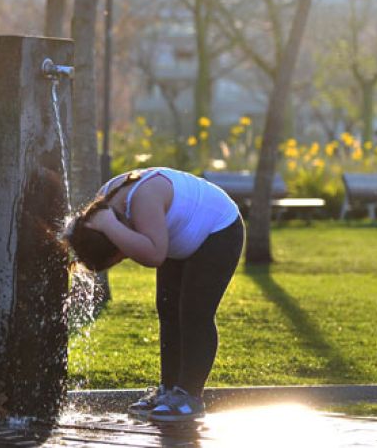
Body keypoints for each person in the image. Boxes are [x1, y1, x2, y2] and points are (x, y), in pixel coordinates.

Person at [62, 167, 244, 422]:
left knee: (194, 314)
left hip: (218, 230)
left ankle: (190, 396)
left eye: (120, 256)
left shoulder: (140, 201)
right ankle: (169, 390)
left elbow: (155, 255)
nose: (126, 256)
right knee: (168, 310)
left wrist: (114, 230)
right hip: (175, 235)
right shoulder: (102, 212)